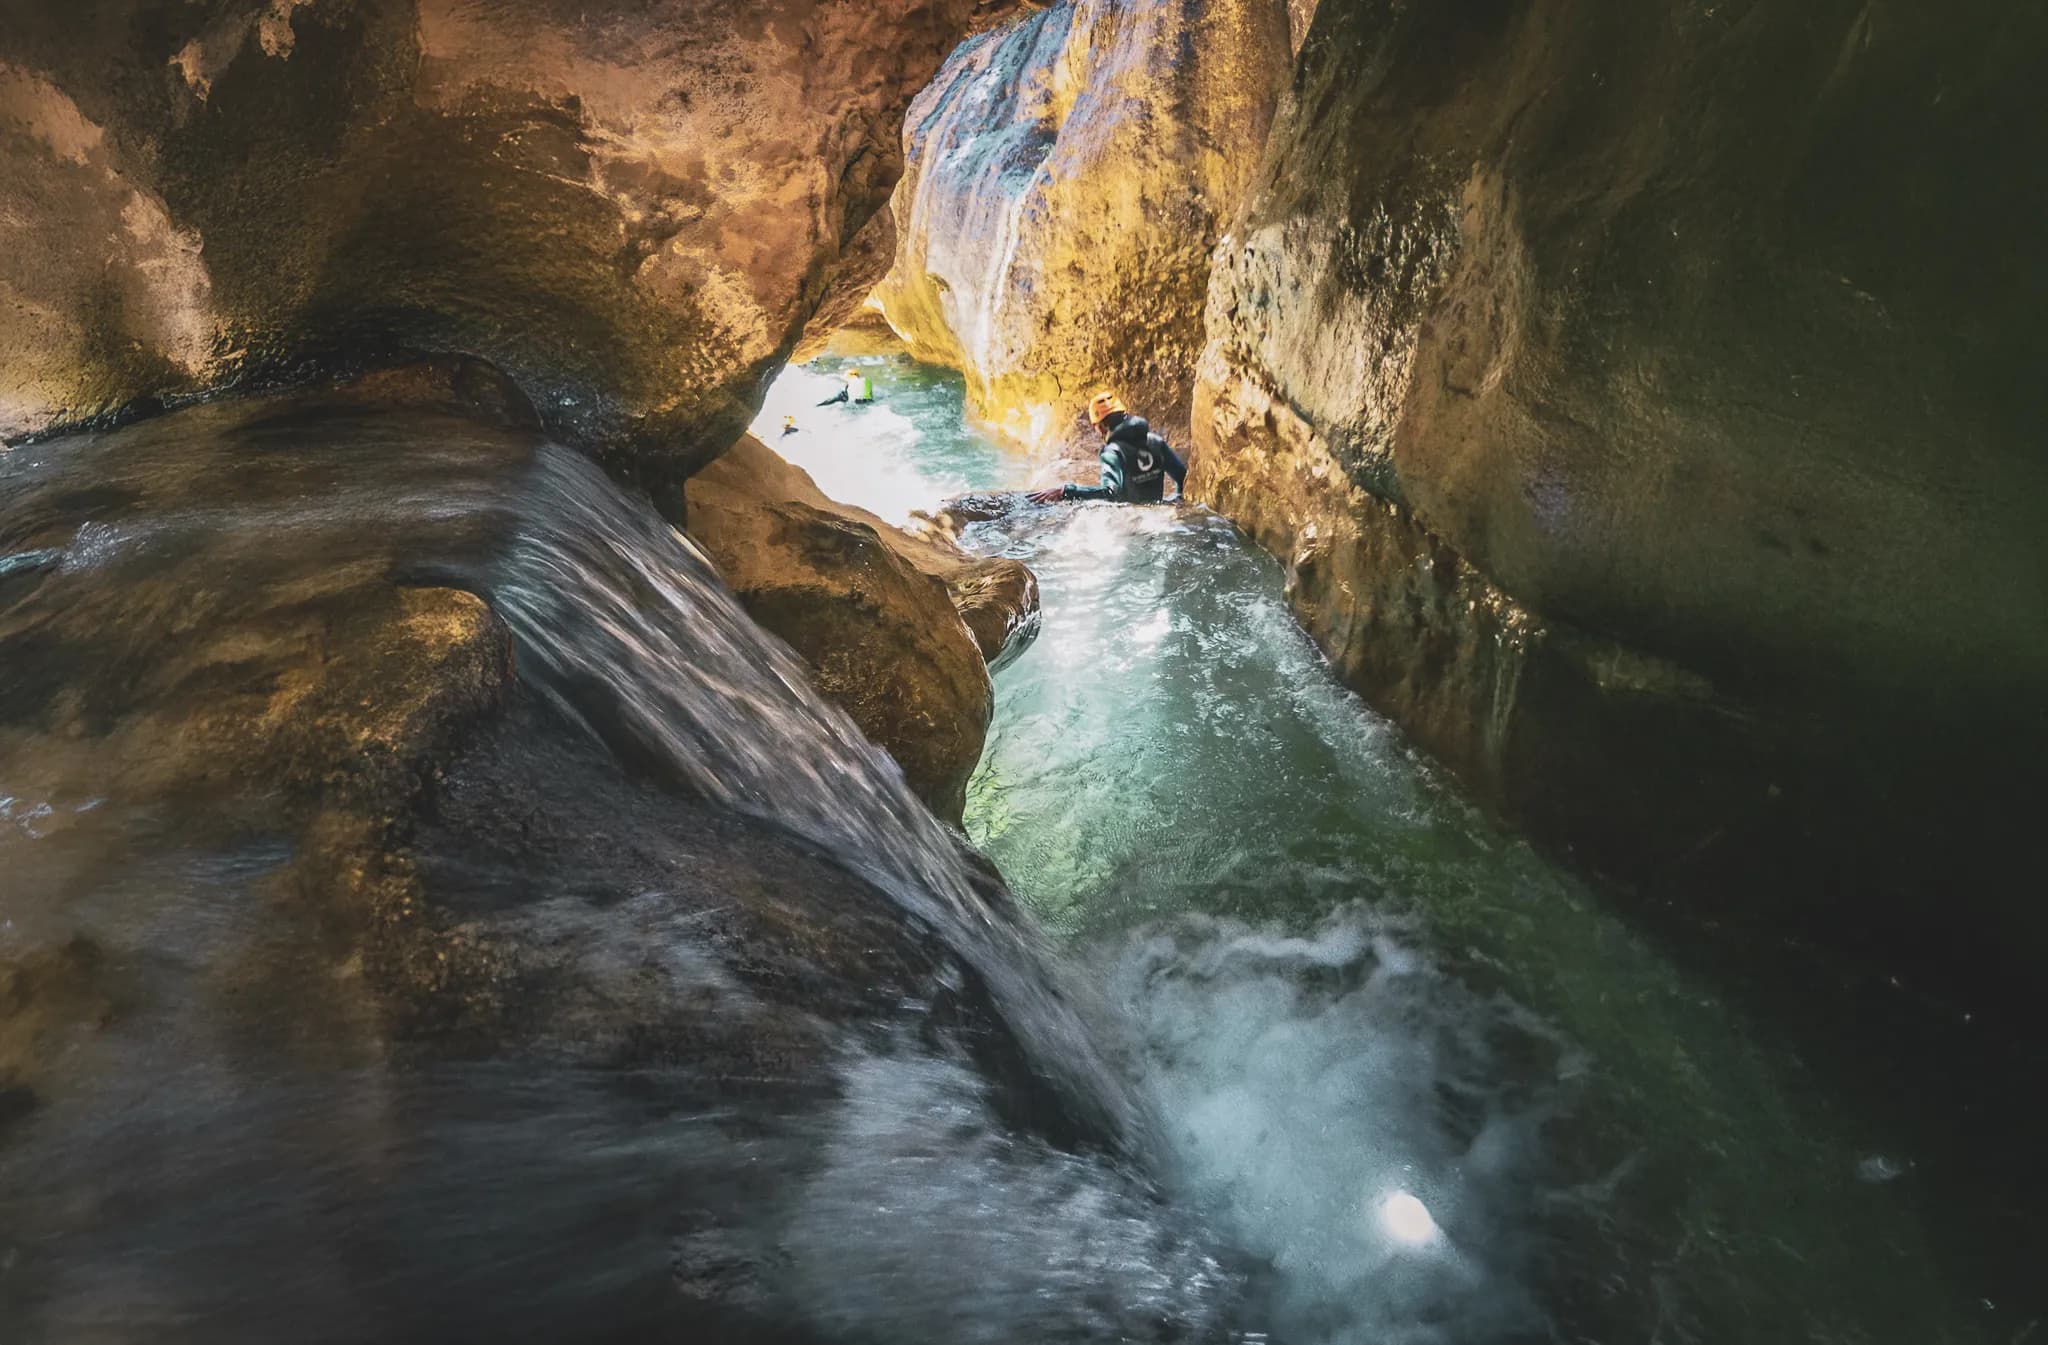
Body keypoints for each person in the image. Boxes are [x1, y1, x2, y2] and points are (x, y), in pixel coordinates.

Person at [1028, 392, 1186, 505]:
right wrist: (1176, 502)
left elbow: (1110, 493)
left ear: (1101, 426)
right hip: (1154, 516)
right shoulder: (1156, 441)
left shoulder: (1113, 452)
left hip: (1130, 522)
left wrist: (1065, 491)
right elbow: (1182, 477)